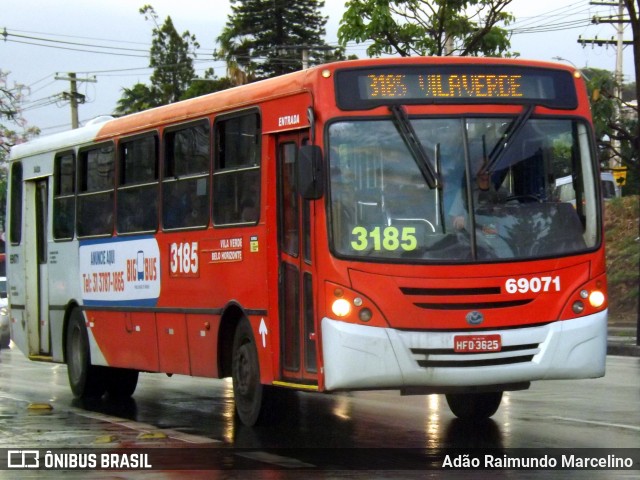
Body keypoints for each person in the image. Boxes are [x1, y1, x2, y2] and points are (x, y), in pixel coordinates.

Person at [450, 157, 508, 230]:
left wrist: (504, 211)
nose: (485, 172)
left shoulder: (501, 191)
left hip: (498, 236)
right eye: (482, 168)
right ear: (475, 170)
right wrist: (460, 221)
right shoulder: (465, 193)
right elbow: (453, 217)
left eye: (488, 168)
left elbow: (517, 211)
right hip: (472, 237)